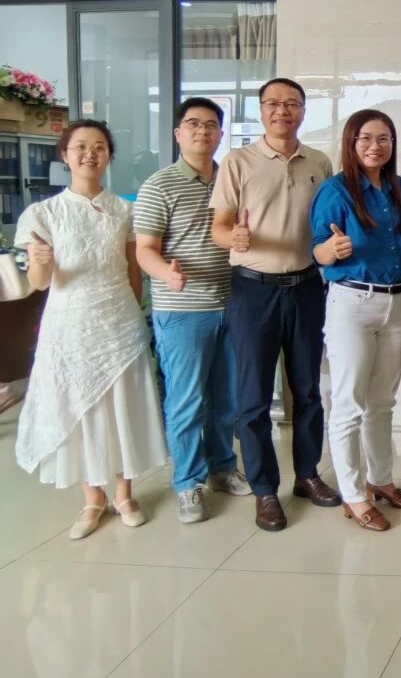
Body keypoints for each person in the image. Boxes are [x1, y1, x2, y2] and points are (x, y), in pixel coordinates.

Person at [14, 120, 167, 539]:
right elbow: (38, 283)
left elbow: (133, 271)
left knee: (122, 406)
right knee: (80, 406)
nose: (90, 154)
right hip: (69, 326)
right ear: (64, 155)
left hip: (118, 320)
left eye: (99, 147)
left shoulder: (125, 210)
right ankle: (92, 498)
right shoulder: (43, 213)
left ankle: (125, 494)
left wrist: (136, 315)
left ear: (109, 156)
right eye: (80, 147)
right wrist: (41, 262)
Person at [211, 77, 338, 532]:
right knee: (253, 398)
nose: (282, 110)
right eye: (273, 103)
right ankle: (265, 490)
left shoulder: (319, 162)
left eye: (292, 103)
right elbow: (219, 226)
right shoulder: (238, 161)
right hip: (253, 290)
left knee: (307, 390)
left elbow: (326, 223)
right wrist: (235, 237)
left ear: (303, 110)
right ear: (261, 110)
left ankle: (307, 475)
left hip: (306, 286)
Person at [134, 98, 252, 524]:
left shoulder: (231, 180)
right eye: (193, 124)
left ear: (221, 133)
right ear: (178, 133)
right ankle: (188, 483)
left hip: (233, 305)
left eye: (211, 125)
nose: (203, 131)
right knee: (187, 400)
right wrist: (165, 272)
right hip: (182, 310)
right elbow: (144, 250)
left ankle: (222, 467)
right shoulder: (159, 185)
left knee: (227, 398)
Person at [310, 110, 401, 532]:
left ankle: (381, 480)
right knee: (349, 403)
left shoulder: (400, 187)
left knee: (382, 401)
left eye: (384, 138)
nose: (376, 146)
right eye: (366, 138)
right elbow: (317, 250)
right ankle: (354, 496)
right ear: (351, 143)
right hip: (352, 301)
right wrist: (331, 251)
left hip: (396, 301)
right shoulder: (335, 190)